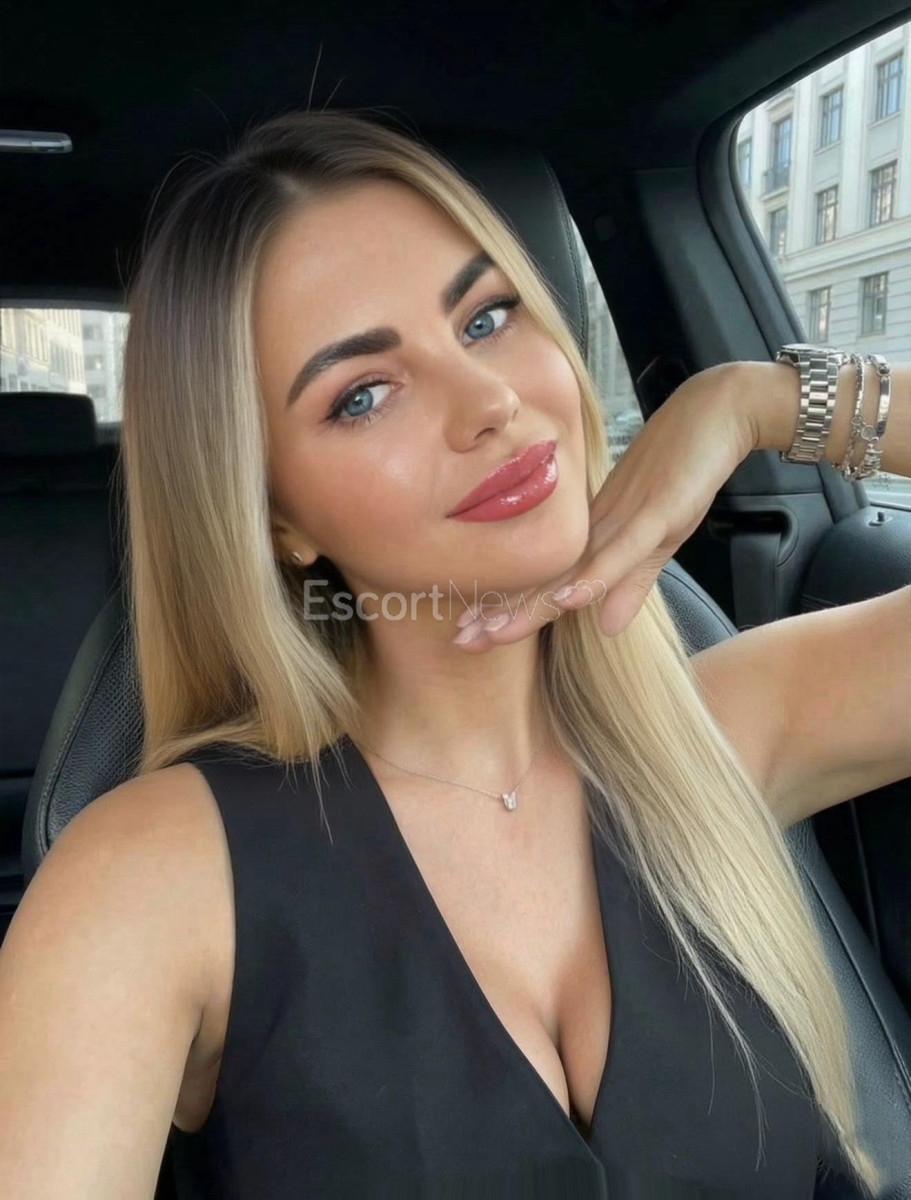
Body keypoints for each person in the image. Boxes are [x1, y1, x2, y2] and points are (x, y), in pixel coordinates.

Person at [1, 107, 904, 1198]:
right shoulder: (149, 878)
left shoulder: (722, 730)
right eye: (361, 394)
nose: (490, 402)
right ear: (275, 516)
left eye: (485, 319)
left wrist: (761, 403)